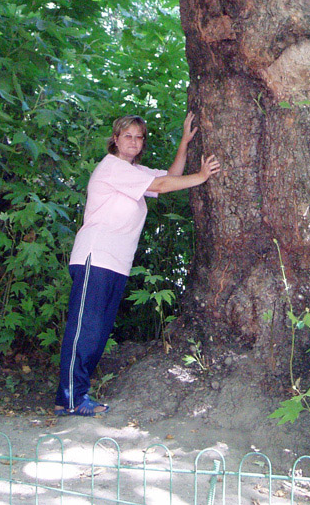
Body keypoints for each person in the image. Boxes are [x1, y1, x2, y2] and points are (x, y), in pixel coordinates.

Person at [54, 111, 220, 416]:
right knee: (85, 329)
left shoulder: (136, 172)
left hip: (116, 262)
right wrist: (201, 177)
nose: (133, 141)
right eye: (127, 135)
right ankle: (70, 399)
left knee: (99, 332)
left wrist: (184, 142)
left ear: (142, 143)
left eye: (138, 137)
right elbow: (163, 185)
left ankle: (78, 395)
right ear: (115, 140)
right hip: (96, 255)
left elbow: (165, 178)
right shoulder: (112, 168)